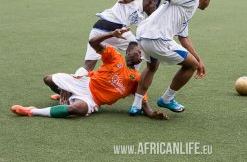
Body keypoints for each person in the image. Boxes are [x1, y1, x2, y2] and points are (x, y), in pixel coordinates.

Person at [11, 28, 168, 120]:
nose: (141, 55)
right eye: (138, 51)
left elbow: (144, 103)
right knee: (48, 79)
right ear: (128, 51)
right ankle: (64, 93)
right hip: (85, 83)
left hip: (93, 99)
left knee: (75, 109)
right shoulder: (115, 56)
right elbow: (93, 42)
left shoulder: (137, 78)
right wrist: (111, 34)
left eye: (142, 53)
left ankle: (32, 111)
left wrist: (153, 114)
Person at [113, 0, 212, 115]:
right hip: (157, 38)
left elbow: (184, 38)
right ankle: (167, 98)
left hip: (143, 36)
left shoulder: (184, 9)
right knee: (192, 65)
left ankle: (136, 106)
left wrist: (199, 58)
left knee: (152, 67)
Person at [74, 0, 157, 76]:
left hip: (99, 28)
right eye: (155, 6)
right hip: (111, 26)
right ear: (151, 2)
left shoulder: (141, 16)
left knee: (88, 65)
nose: (154, 10)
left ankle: (71, 85)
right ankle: (131, 78)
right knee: (141, 50)